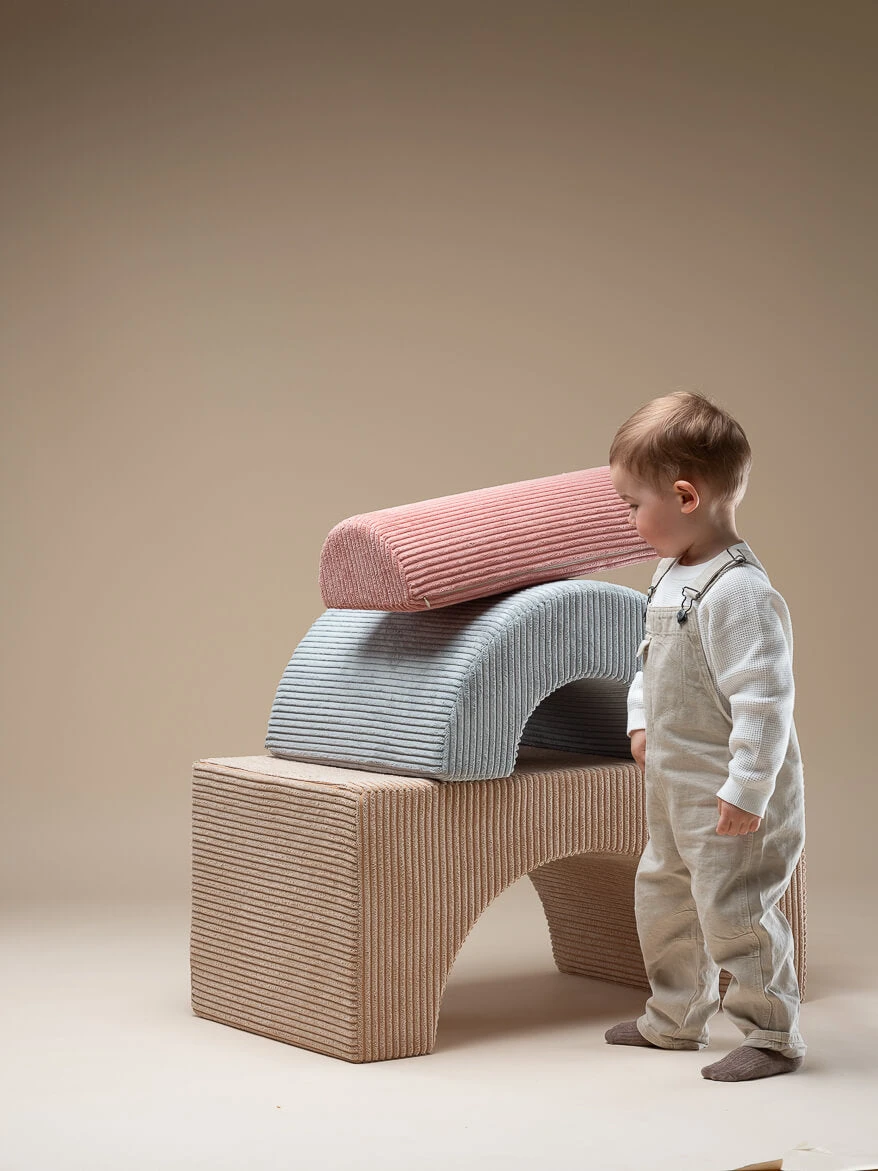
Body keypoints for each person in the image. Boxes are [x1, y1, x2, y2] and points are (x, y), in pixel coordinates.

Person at [604, 390, 806, 1082]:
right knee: (664, 898)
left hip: (728, 792)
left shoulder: (738, 591)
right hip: (674, 785)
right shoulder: (670, 574)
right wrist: (639, 720)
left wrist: (747, 787)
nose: (629, 520)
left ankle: (771, 1034)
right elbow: (650, 661)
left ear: (685, 497)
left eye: (634, 504)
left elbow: (764, 700)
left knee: (734, 910)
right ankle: (673, 1017)